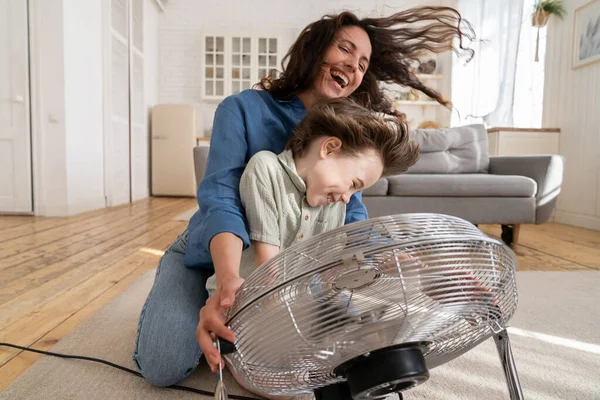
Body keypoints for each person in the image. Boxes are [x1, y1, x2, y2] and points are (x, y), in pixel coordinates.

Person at [132, 5, 473, 390]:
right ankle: (182, 296)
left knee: (342, 338)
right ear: (315, 48)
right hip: (209, 255)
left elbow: (353, 223)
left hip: (278, 275)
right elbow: (221, 200)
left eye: (363, 64)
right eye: (345, 49)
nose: (354, 66)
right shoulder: (243, 109)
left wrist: (421, 268)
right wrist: (228, 280)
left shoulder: (349, 137)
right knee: (163, 364)